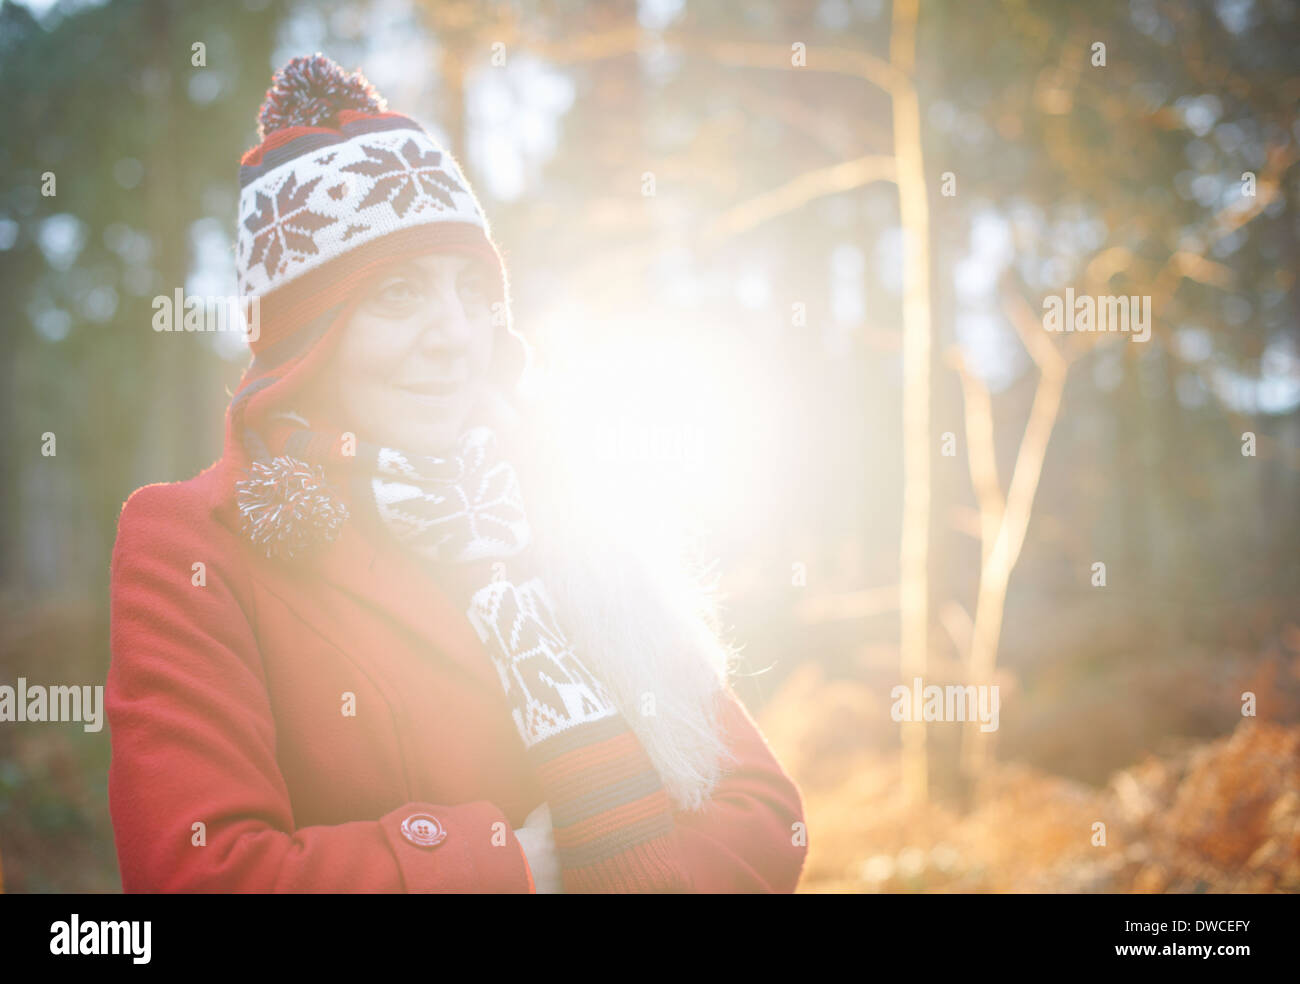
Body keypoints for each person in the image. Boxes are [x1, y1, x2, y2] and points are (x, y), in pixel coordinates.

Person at [106, 53, 807, 893]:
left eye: (472, 290)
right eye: (398, 294)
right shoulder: (193, 543)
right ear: (306, 343)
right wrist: (516, 868)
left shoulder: (559, 503)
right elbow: (201, 873)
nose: (455, 335)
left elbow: (763, 811)